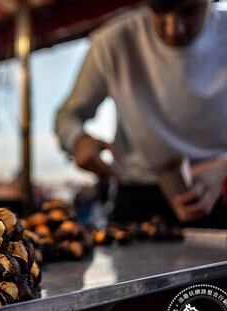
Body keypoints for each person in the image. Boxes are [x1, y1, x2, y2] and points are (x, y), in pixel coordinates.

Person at [55, 0, 227, 227]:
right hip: (136, 201)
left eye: (189, 11)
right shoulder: (112, 40)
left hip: (221, 194)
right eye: (159, 10)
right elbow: (67, 117)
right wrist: (78, 140)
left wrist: (224, 168)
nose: (173, 29)